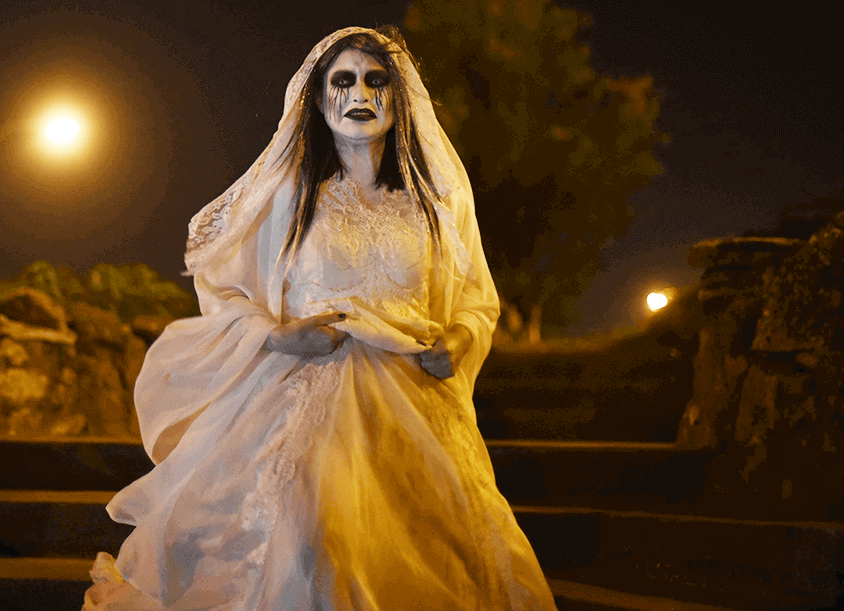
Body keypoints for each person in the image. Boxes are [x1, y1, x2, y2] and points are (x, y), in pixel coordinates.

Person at [84, 26, 557, 610]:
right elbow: (223, 285)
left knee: (432, 562)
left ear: (400, 97)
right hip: (309, 403)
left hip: (416, 410)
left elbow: (475, 298)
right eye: (343, 80)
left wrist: (460, 338)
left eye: (376, 80)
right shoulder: (290, 195)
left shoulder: (437, 203)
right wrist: (279, 336)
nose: (360, 93)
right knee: (315, 547)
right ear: (317, 98)